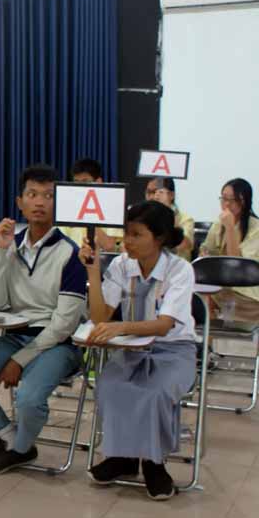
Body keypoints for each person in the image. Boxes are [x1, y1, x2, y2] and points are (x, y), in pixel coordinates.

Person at [0, 164, 87, 475]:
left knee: (29, 397)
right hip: (15, 335)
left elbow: (63, 325)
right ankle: (10, 437)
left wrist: (20, 360)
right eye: (32, 194)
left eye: (48, 196)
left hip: (58, 344)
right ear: (19, 202)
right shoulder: (12, 246)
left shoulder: (71, 254)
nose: (39, 202)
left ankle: (20, 450)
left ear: (57, 202)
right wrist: (0, 251)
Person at [80, 200, 196, 500]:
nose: (126, 241)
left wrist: (121, 327)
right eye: (125, 233)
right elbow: (100, 317)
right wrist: (93, 273)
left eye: (136, 234)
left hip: (174, 349)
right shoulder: (121, 264)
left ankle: (154, 464)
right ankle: (124, 457)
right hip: (132, 348)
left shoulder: (179, 270)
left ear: (158, 238)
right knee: (109, 384)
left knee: (155, 392)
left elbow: (163, 325)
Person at [200, 178, 259, 321]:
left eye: (230, 200)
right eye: (223, 199)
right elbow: (207, 251)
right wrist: (204, 254)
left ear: (243, 201)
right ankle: (206, 340)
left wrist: (231, 228)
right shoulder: (218, 223)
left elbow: (238, 267)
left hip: (247, 291)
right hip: (221, 286)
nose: (225, 204)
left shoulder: (255, 228)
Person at [59, 158, 124, 252]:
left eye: (85, 182)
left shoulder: (112, 207)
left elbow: (110, 246)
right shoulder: (67, 208)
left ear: (99, 182)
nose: (80, 187)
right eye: (76, 183)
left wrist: (88, 217)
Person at [145, 177, 194, 261]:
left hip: (176, 269)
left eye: (159, 192)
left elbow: (185, 245)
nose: (154, 197)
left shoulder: (185, 219)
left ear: (171, 195)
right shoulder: (142, 218)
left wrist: (167, 213)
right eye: (149, 192)